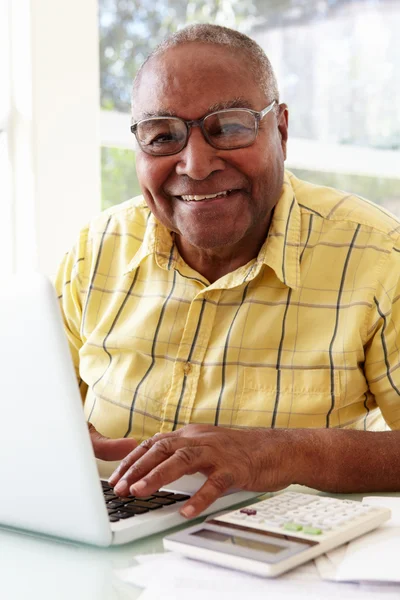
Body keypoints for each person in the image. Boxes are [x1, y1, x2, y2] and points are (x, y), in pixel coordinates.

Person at [56, 24, 400, 519]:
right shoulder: (94, 253)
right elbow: (30, 413)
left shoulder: (378, 257)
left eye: (230, 127)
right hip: (108, 550)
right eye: (162, 136)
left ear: (280, 130)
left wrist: (276, 453)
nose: (195, 165)